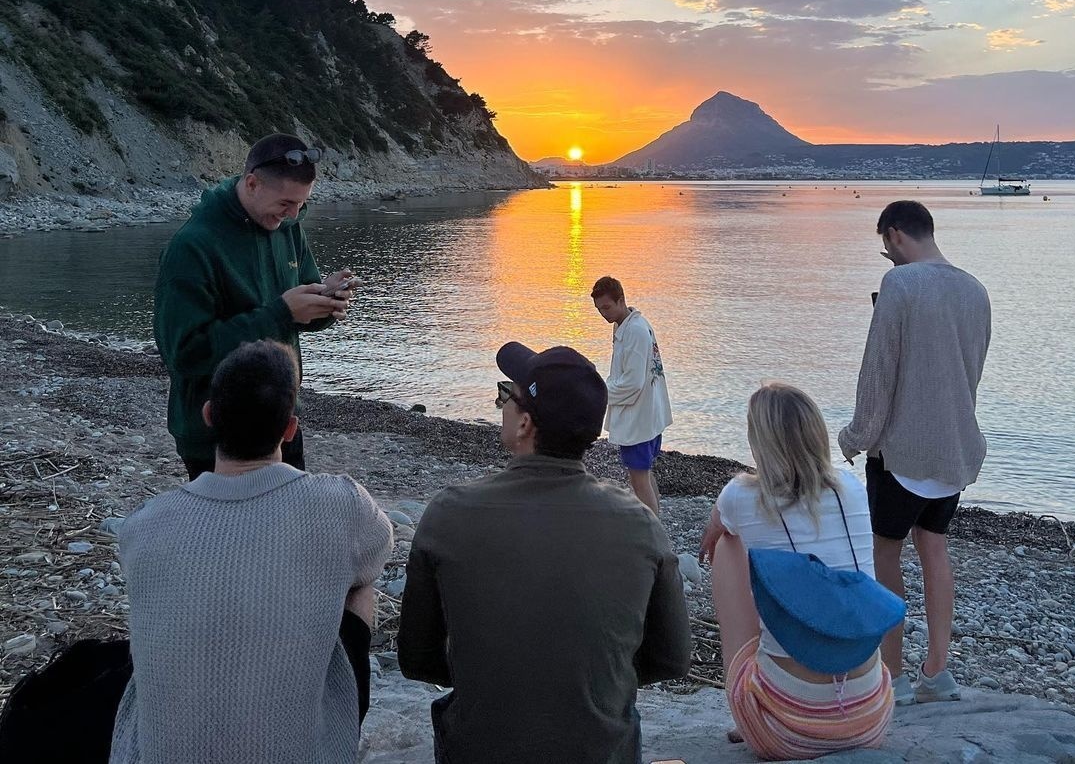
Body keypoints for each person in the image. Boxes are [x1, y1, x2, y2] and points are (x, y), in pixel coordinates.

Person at [397, 341, 691, 764]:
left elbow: (417, 659)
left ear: (525, 424)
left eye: (506, 395)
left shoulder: (449, 514)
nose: (501, 404)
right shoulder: (641, 525)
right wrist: (591, 679)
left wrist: (492, 670)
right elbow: (672, 659)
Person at [109, 340, 393, 764]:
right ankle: (327, 729)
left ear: (208, 415)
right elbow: (380, 550)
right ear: (290, 429)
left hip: (151, 753)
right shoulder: (341, 502)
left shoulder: (144, 523)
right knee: (360, 585)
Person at [838, 199, 992, 706]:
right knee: (934, 547)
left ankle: (894, 675)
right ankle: (938, 671)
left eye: (886, 244)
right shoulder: (975, 289)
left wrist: (856, 436)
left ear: (894, 235)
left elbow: (879, 371)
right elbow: (970, 370)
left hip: (903, 452)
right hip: (955, 450)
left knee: (886, 552)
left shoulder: (900, 284)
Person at [699, 383, 896, 761]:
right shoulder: (852, 487)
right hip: (870, 719)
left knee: (726, 545)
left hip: (782, 733)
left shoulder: (742, 494)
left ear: (759, 441)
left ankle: (747, 705)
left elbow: (715, 528)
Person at [154, 133, 355, 477]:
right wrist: (282, 313)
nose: (293, 214)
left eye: (301, 204)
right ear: (252, 184)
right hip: (216, 433)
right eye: (286, 203)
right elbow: (184, 354)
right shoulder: (192, 246)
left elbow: (299, 314)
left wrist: (327, 301)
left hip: (280, 420)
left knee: (290, 512)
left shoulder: (287, 226)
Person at [591, 275, 673, 516]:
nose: (603, 314)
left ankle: (652, 528)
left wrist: (600, 392)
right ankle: (655, 519)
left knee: (638, 478)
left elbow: (633, 383)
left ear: (621, 300)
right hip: (648, 413)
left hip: (640, 417)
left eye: (606, 307)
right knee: (644, 473)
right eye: (599, 309)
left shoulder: (635, 331)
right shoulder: (625, 325)